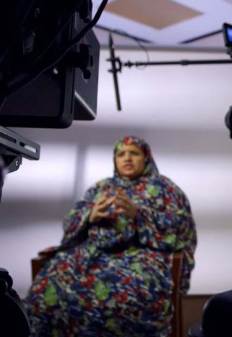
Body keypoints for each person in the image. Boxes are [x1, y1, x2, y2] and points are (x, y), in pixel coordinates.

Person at [25, 136, 197, 336]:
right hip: (93, 252)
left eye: (134, 153)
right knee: (49, 285)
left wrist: (139, 215)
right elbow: (71, 221)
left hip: (143, 254)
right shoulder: (101, 187)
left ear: (146, 158)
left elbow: (182, 228)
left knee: (120, 295)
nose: (127, 158)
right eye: (121, 154)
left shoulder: (165, 189)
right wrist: (89, 215)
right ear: (114, 159)